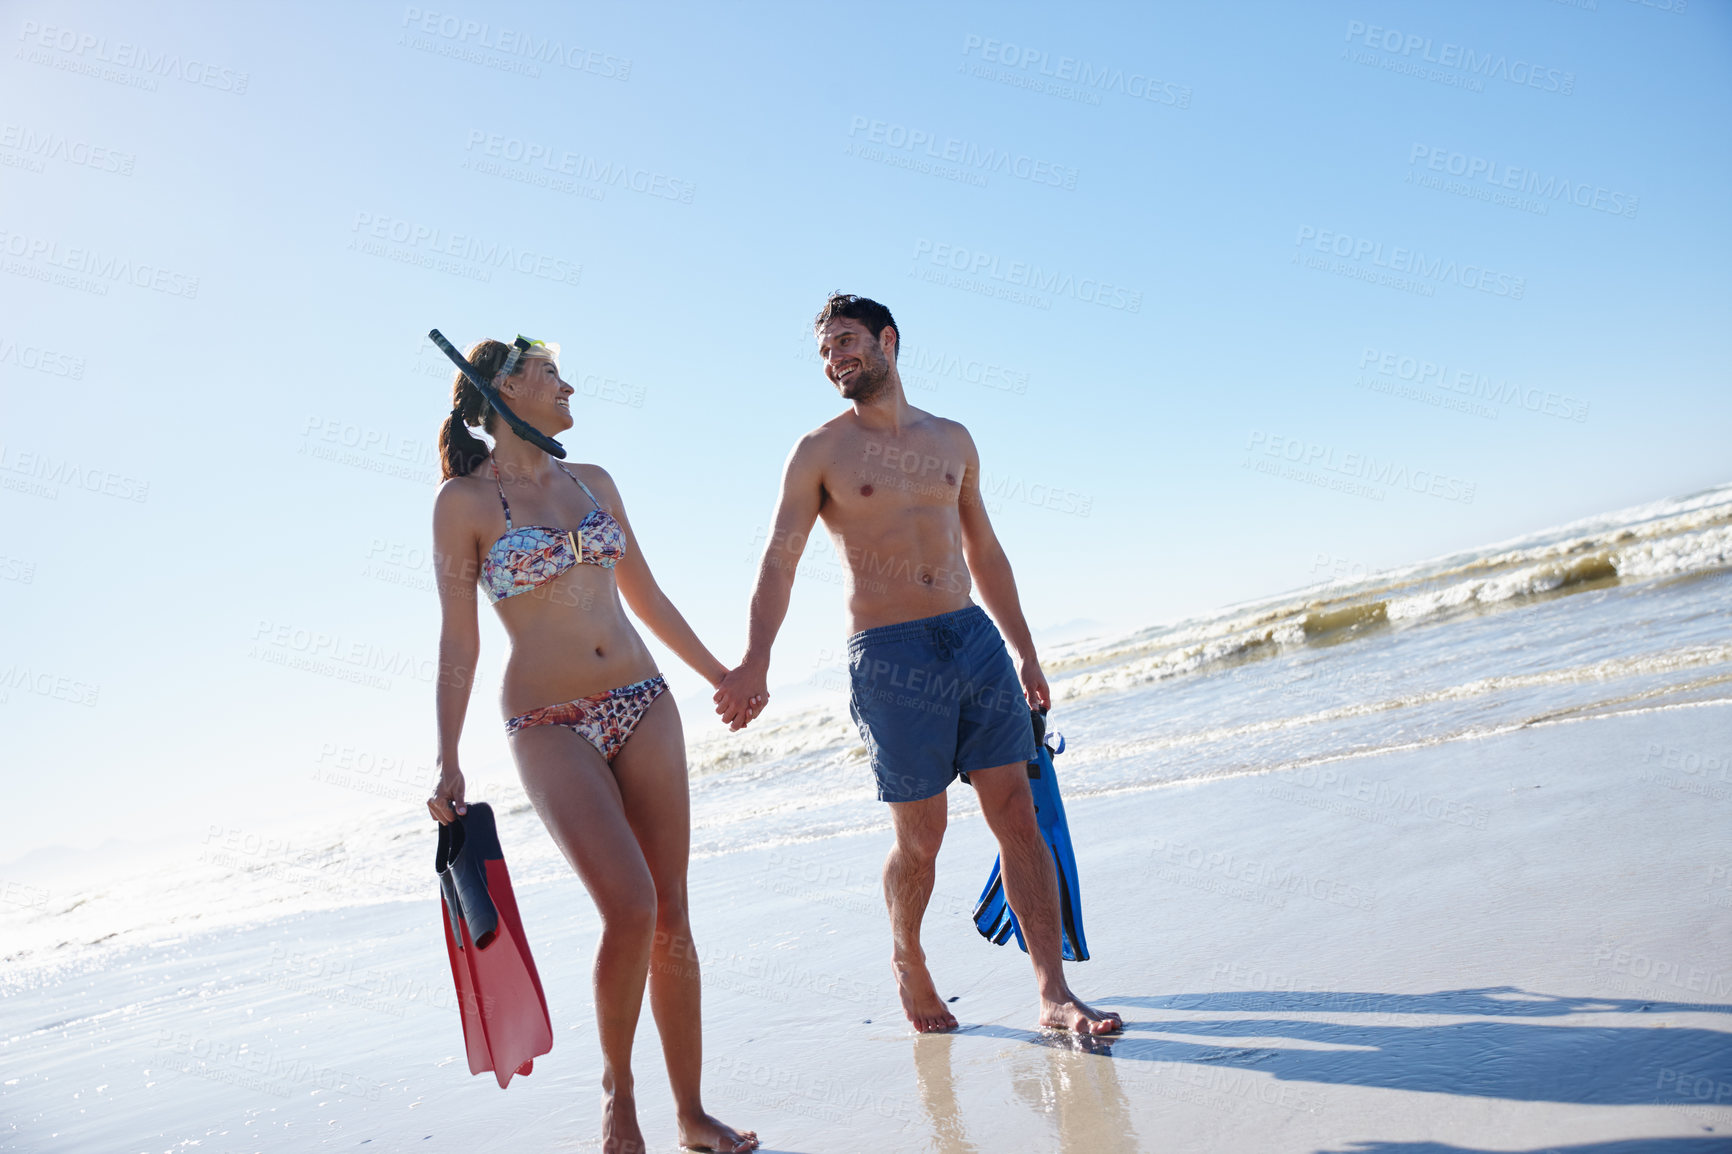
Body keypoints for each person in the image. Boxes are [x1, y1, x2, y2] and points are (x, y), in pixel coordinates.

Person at [714, 295, 1121, 1037]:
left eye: (846, 341)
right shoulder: (819, 452)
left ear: (888, 341)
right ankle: (906, 953)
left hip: (971, 639)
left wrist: (1025, 651)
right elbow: (780, 560)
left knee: (1017, 819)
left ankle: (1052, 993)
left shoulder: (953, 439)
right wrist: (755, 660)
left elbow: (985, 552)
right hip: (889, 656)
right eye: (825, 350)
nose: (835, 357)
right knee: (921, 837)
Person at [426, 337, 758, 1154]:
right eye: (549, 375)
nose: (568, 386)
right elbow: (458, 641)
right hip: (548, 721)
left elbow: (645, 595)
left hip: (644, 700)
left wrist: (724, 673)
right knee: (631, 905)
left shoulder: (594, 481)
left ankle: (692, 1114)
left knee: (672, 912)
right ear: (500, 393)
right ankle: (620, 1093)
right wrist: (447, 755)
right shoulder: (462, 504)